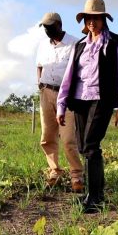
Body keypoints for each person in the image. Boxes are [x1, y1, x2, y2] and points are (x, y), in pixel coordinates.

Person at [57, 0, 118, 213]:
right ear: (85, 20)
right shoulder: (79, 45)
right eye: (89, 17)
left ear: (103, 20)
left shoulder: (115, 42)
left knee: (90, 145)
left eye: (97, 18)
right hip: (80, 100)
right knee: (84, 147)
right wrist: (61, 105)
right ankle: (96, 193)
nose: (92, 22)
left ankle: (94, 197)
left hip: (102, 99)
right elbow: (69, 77)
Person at [36, 12, 84, 192]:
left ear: (59, 25)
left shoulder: (75, 43)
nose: (47, 30)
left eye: (50, 27)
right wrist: (40, 85)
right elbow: (39, 66)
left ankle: (76, 175)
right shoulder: (43, 45)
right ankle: (54, 171)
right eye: (45, 27)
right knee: (47, 136)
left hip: (68, 96)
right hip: (47, 92)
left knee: (68, 139)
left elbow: (81, 70)